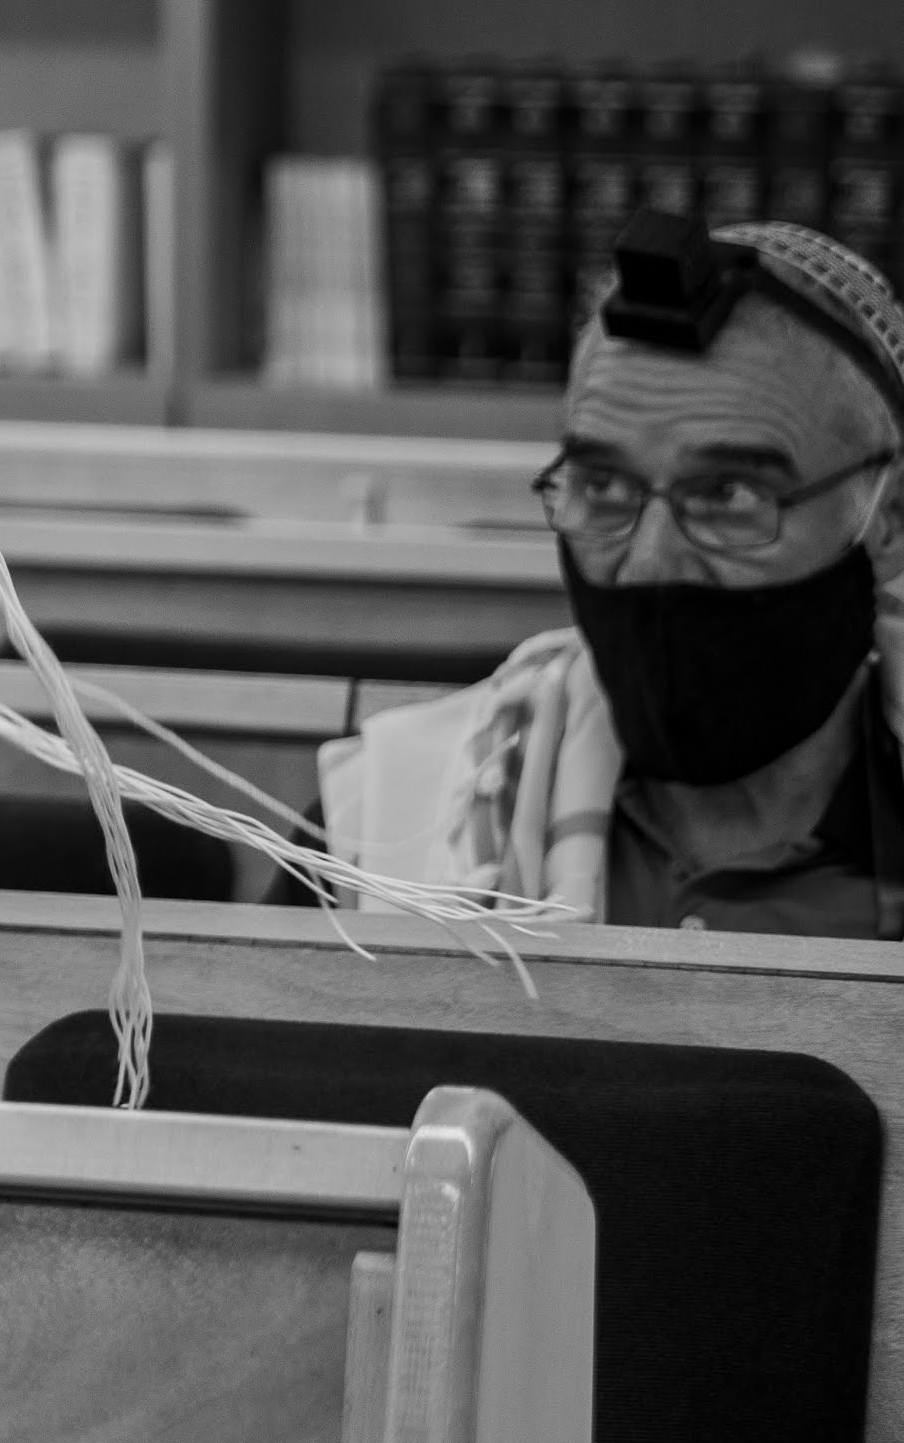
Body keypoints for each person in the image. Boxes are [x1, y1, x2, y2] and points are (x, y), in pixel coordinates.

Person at [324, 210, 904, 935]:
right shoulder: (386, 833)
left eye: (729, 494)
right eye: (602, 486)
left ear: (889, 520)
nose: (649, 561)